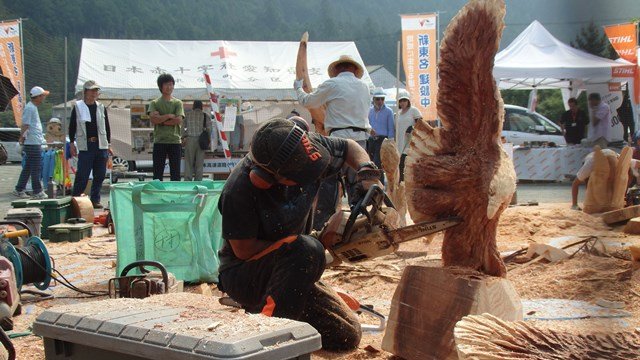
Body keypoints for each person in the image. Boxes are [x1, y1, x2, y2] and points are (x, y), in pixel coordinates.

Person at [217, 118, 381, 351]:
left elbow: (347, 147)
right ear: (267, 179)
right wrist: (318, 241)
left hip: (293, 266)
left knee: (345, 335)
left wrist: (367, 172)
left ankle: (269, 306)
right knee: (307, 250)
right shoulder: (240, 190)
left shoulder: (303, 148)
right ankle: (271, 342)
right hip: (245, 273)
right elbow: (244, 250)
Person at [294, 55, 371, 228]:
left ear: (336, 70)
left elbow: (307, 101)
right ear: (353, 70)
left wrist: (298, 88)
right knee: (357, 185)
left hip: (338, 140)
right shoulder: (365, 87)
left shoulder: (332, 84)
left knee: (329, 183)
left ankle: (321, 226)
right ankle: (362, 224)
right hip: (361, 142)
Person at [68, 80, 112, 208]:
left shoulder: (101, 107)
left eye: (96, 90)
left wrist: (109, 144)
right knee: (83, 174)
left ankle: (95, 199)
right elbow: (72, 126)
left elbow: (107, 126)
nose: (94, 93)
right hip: (86, 145)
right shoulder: (78, 106)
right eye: (91, 90)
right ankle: (76, 199)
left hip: (101, 144)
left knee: (100, 174)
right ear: (85, 92)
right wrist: (71, 142)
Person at [13, 86, 49, 199]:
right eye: (42, 96)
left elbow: (26, 125)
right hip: (32, 142)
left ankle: (19, 189)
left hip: (33, 141)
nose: (43, 98)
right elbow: (26, 125)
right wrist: (21, 139)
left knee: (28, 167)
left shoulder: (31, 107)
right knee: (36, 167)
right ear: (37, 97)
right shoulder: (30, 108)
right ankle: (37, 191)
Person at [149, 73, 184, 181]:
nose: (169, 87)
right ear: (161, 86)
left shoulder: (178, 103)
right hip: (159, 140)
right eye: (166, 84)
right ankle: (157, 194)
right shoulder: (154, 103)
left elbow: (179, 120)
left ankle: (175, 194)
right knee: (158, 172)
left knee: (175, 173)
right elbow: (153, 120)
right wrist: (168, 116)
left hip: (175, 141)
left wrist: (161, 120)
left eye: (171, 84)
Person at [395, 90, 423, 181]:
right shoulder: (397, 114)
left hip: (410, 142)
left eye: (404, 100)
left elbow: (421, 124)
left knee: (405, 163)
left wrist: (412, 127)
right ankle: (402, 186)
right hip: (400, 142)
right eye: (401, 101)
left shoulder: (413, 111)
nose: (403, 103)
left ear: (408, 101)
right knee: (400, 166)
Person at [182, 100, 211, 181]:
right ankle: (198, 181)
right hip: (201, 141)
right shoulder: (205, 115)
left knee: (188, 163)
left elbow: (182, 127)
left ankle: (188, 181)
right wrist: (208, 140)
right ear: (201, 106)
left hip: (190, 139)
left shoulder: (188, 115)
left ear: (193, 106)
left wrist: (183, 136)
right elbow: (209, 130)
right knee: (199, 163)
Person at [367, 88, 394, 170]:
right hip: (370, 139)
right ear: (374, 99)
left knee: (377, 162)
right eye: (378, 99)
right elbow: (367, 124)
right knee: (370, 162)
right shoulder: (369, 111)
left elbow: (391, 127)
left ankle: (380, 181)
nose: (380, 101)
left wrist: (390, 143)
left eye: (382, 99)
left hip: (382, 140)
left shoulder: (389, 111)